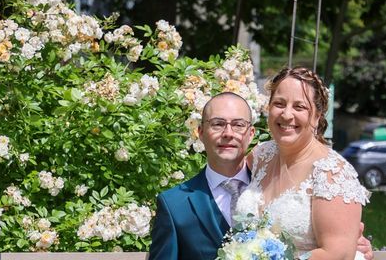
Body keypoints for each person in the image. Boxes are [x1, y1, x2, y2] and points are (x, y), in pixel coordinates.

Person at [150, 91, 374, 260]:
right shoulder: (173, 205)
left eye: (238, 125)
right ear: (200, 132)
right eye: (217, 124)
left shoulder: (270, 177)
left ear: (251, 133)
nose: (228, 133)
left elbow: (331, 238)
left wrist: (352, 247)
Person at [235, 66, 371, 260]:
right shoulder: (260, 155)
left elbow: (337, 254)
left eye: (299, 107)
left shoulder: (332, 174)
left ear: (317, 117)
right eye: (279, 103)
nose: (287, 114)